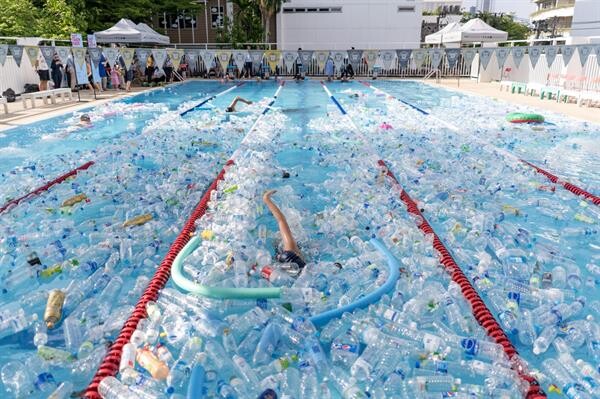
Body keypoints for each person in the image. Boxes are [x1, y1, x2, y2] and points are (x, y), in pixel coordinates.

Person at [262, 190, 306, 269]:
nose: (278, 255)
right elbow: (281, 220)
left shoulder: (279, 273)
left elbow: (281, 220)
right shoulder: (290, 247)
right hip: (296, 250)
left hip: (288, 260)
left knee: (275, 241)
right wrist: (267, 200)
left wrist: (266, 199)